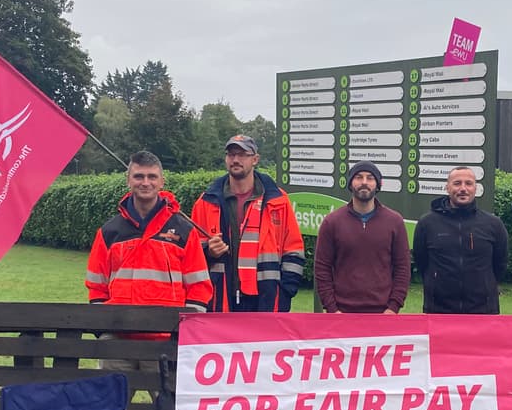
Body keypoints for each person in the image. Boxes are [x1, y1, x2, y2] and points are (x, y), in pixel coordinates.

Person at [85, 150, 213, 353]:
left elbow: (199, 287)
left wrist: (184, 332)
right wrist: (104, 330)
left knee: (163, 387)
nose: (145, 182)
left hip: (166, 339)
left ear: (162, 182)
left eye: (152, 176)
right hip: (118, 339)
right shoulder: (109, 232)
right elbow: (96, 286)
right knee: (116, 387)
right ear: (128, 181)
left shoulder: (184, 231)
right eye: (138, 176)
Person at [192, 134, 306, 312]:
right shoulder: (206, 202)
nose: (236, 159)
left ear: (255, 159)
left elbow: (293, 250)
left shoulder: (278, 201)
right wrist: (209, 251)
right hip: (220, 300)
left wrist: (285, 292)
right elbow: (192, 253)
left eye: (242, 154)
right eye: (231, 154)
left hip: (266, 300)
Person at [314, 160, 411, 313]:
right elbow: (322, 268)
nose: (364, 182)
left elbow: (403, 268)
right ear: (350, 183)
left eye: (370, 178)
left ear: (378, 184)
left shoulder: (395, 221)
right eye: (358, 177)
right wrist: (332, 309)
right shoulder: (332, 222)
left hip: (383, 313)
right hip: (342, 313)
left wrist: (393, 307)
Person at [413, 166, 509, 314]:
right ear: (447, 187)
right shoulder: (427, 223)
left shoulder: (493, 224)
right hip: (439, 310)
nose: (463, 188)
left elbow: (500, 265)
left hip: (483, 311)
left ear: (475, 188)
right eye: (457, 183)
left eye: (468, 183)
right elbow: (422, 262)